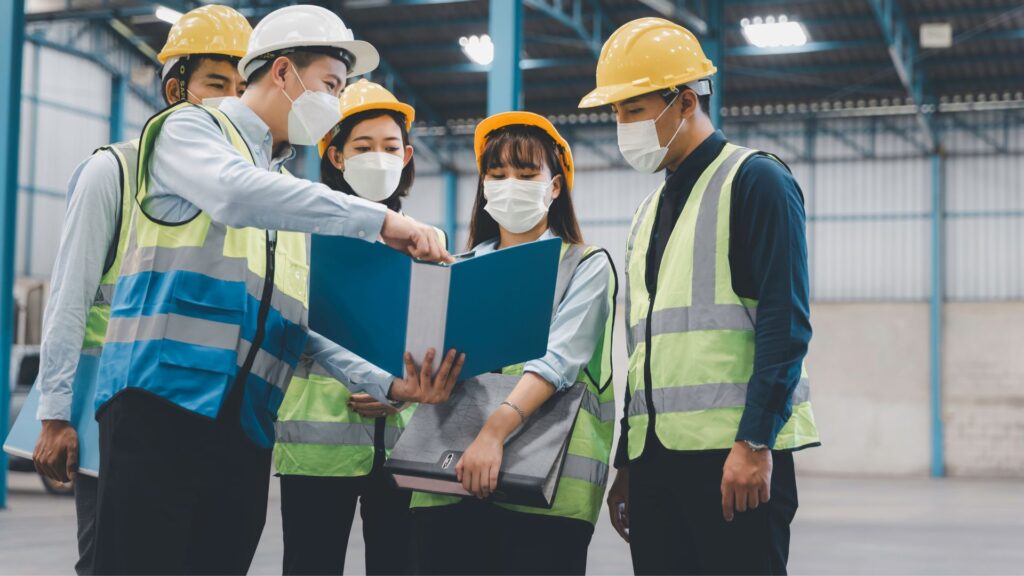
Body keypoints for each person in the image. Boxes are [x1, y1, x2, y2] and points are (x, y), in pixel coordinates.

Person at [89, 5, 461, 574]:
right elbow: (233, 193)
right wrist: (380, 220)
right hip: (160, 408)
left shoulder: (282, 188)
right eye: (331, 85)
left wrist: (392, 383)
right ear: (284, 72)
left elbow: (296, 325)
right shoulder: (190, 130)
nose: (336, 104)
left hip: (244, 424)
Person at [577, 17, 820, 575]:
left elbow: (786, 324)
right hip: (657, 463)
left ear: (685, 101)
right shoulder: (649, 211)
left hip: (732, 459)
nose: (622, 126)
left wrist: (756, 442)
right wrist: (628, 464)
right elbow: (645, 356)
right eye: (616, 113)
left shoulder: (756, 181)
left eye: (633, 111)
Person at [30, 6, 252, 574]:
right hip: (116, 408)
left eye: (241, 87)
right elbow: (71, 295)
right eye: (215, 84)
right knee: (113, 558)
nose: (230, 101)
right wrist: (55, 415)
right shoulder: (117, 172)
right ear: (176, 88)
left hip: (205, 417)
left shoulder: (241, 189)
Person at [411, 112, 617, 576]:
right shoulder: (453, 269)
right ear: (483, 185)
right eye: (497, 174)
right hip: (446, 477)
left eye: (527, 174)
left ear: (556, 186)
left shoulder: (583, 266)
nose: (510, 184)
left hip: (545, 490)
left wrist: (493, 434)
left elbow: (559, 360)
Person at [276, 79, 445, 575]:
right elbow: (289, 323)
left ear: (407, 154)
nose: (379, 157)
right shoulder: (300, 233)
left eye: (390, 147)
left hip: (403, 447)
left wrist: (404, 393)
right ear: (334, 155)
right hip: (317, 449)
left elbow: (439, 337)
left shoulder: (428, 241)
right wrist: (374, 379)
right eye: (363, 147)